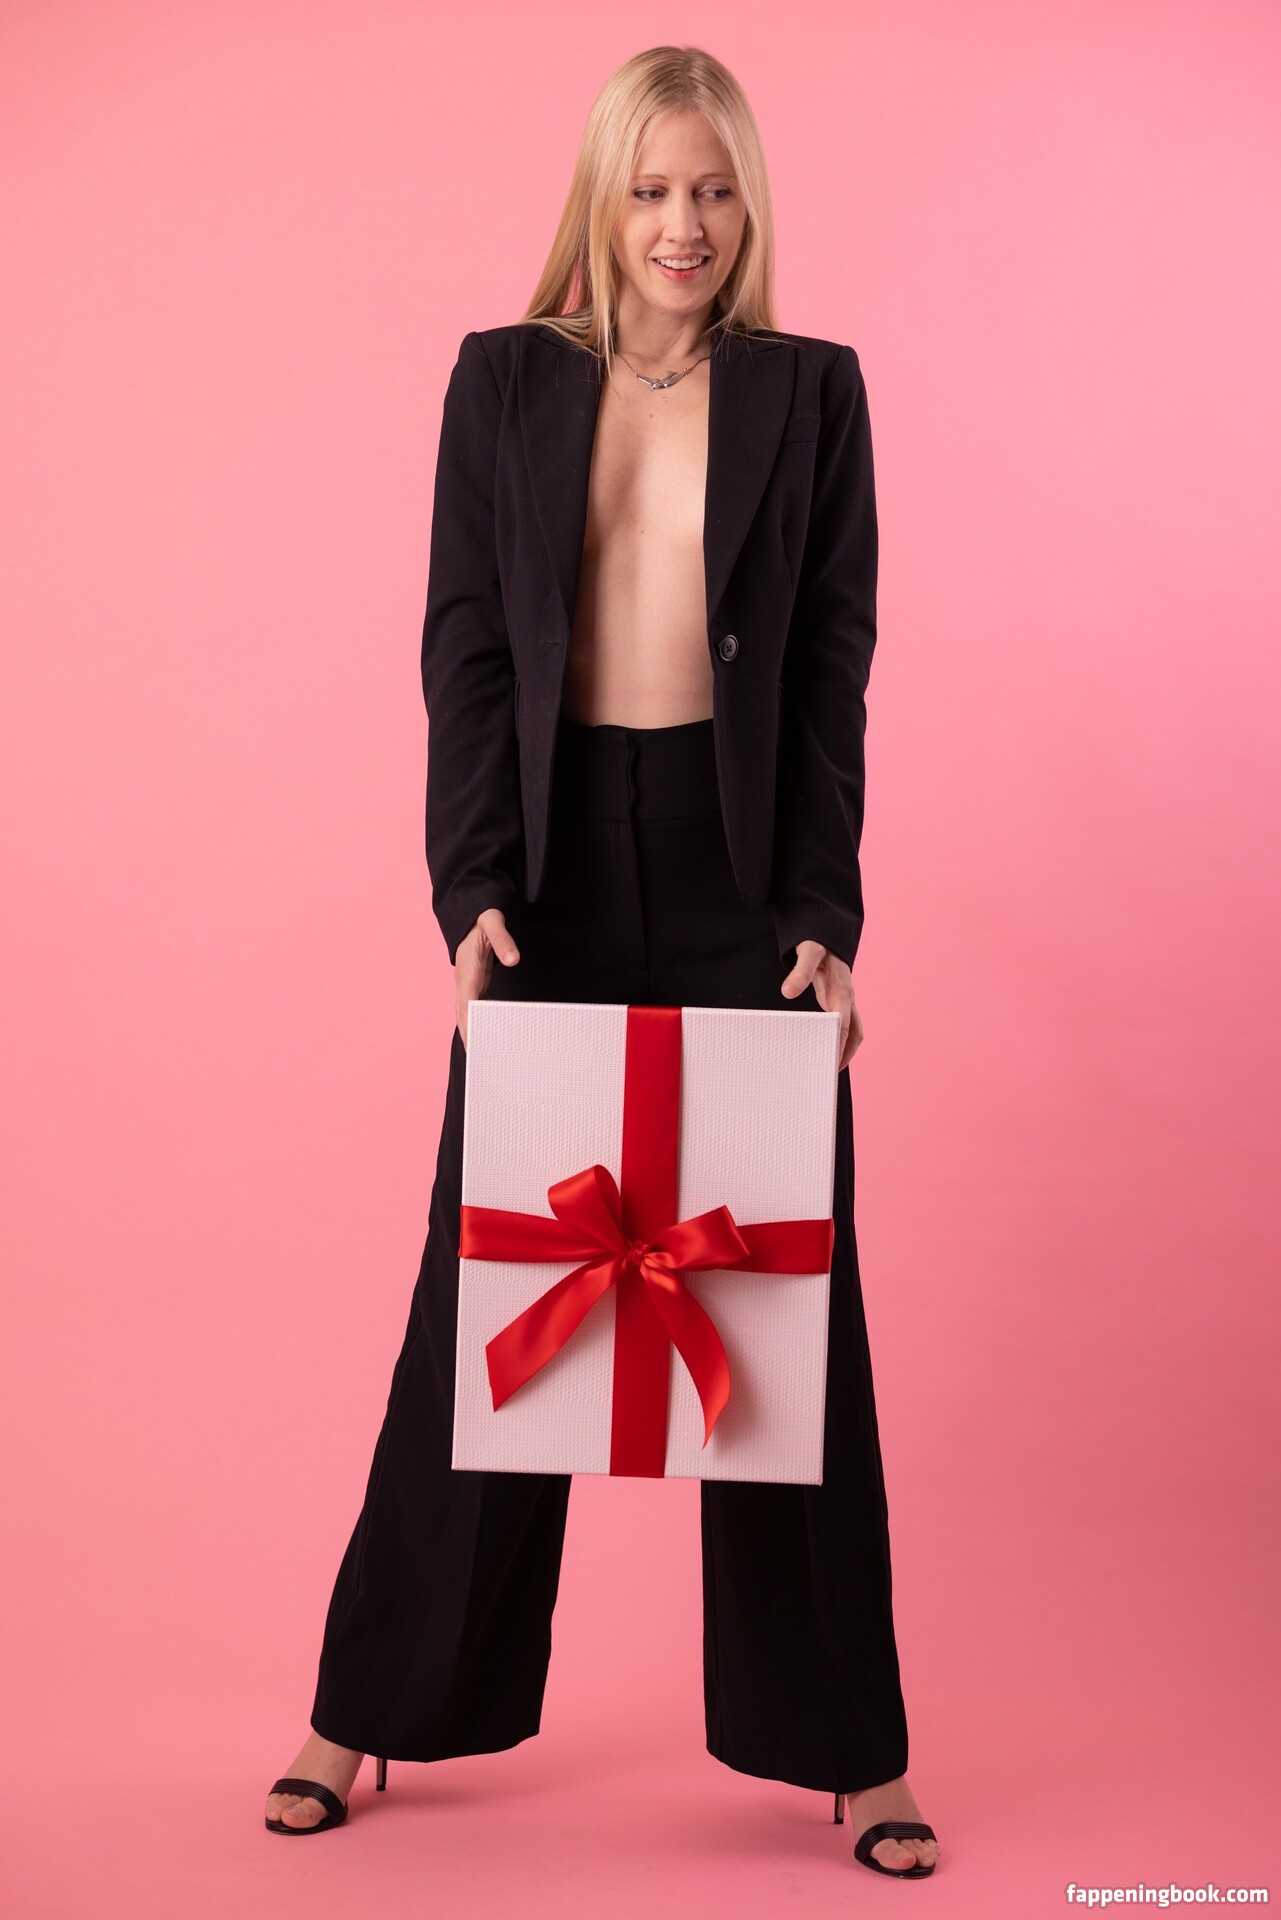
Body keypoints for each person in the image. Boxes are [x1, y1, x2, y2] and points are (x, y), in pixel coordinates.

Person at [264, 45, 940, 1881]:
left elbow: (830, 668)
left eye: (712, 189)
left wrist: (824, 919)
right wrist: (469, 888)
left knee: (780, 1316)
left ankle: (852, 1752)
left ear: (749, 203)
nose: (681, 226)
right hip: (553, 883)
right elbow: (466, 648)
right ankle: (363, 1708)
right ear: (599, 196)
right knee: (488, 1298)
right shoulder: (502, 381)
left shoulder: (811, 391)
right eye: (649, 189)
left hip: (739, 884)